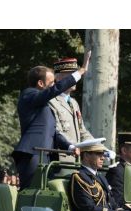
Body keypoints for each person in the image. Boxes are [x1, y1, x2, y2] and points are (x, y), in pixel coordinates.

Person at [12, 51, 91, 189]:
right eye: (52, 82)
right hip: (33, 154)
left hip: (45, 156)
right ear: (41, 83)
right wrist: (81, 71)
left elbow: (52, 131)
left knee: (43, 196)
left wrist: (69, 146)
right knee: (31, 194)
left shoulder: (43, 106)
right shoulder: (29, 94)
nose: (55, 85)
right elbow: (54, 91)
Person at [70, 142, 131, 211]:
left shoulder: (100, 177)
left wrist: (121, 210)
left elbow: (111, 201)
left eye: (103, 154)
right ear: (86, 155)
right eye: (98, 154)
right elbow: (88, 208)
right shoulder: (79, 177)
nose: (103, 158)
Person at [49, 57, 95, 161]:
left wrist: (98, 147)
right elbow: (57, 132)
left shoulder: (74, 103)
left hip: (76, 159)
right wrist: (72, 146)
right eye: (71, 75)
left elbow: (82, 131)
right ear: (58, 79)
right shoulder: (51, 101)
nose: (75, 79)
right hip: (61, 158)